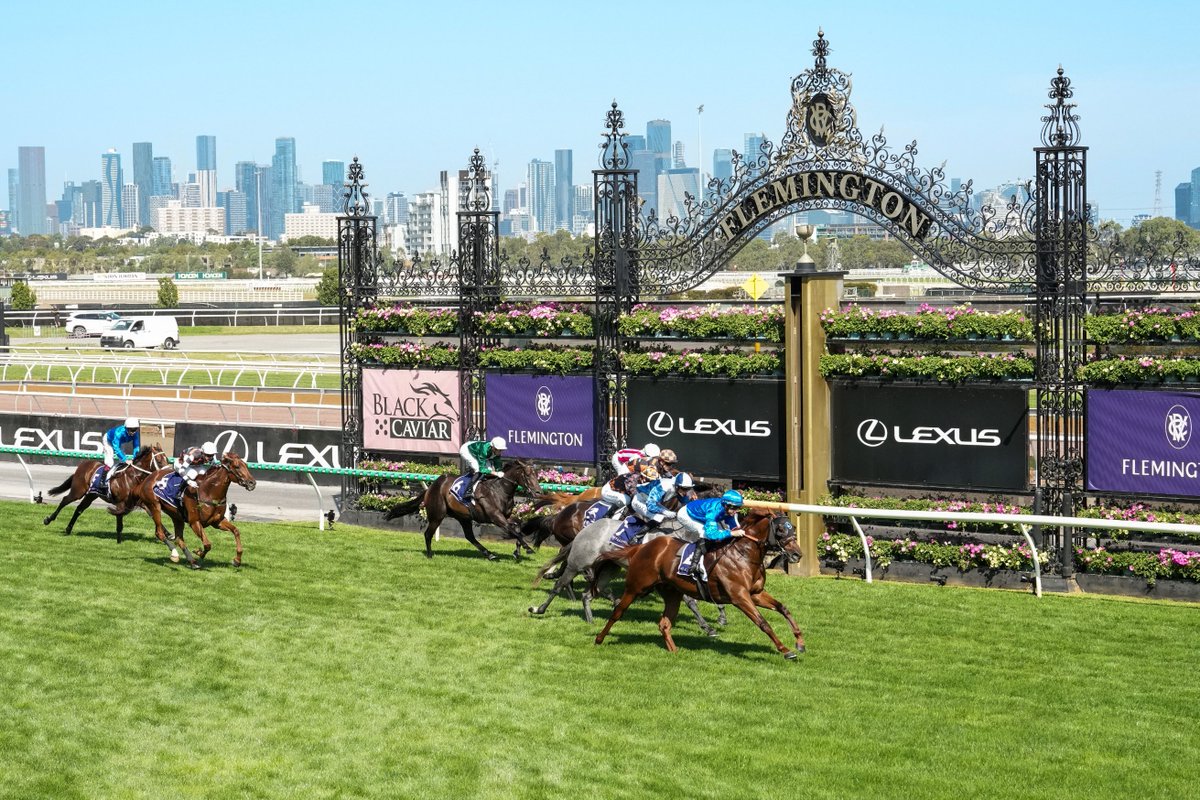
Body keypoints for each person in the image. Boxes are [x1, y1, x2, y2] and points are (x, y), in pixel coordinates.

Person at [679, 490, 745, 580]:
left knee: (722, 531)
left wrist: (737, 530)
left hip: (702, 515)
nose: (736, 511)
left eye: (738, 508)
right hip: (687, 515)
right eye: (734, 508)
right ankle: (693, 566)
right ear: (726, 505)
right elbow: (711, 534)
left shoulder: (728, 508)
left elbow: (733, 525)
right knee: (705, 533)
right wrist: (731, 533)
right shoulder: (713, 511)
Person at [459, 436, 507, 504]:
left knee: (489, 469)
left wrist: (499, 471)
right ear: (493, 447)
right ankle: (468, 491)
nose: (500, 452)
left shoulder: (495, 450)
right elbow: (482, 469)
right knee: (478, 469)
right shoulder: (484, 451)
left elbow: (497, 464)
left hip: (478, 450)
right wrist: (496, 473)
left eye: (501, 450)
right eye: (499, 450)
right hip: (467, 450)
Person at [100, 417, 141, 492]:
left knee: (122, 463)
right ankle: (102, 481)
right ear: (126, 428)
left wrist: (134, 458)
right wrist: (125, 459)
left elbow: (136, 447)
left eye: (135, 429)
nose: (133, 432)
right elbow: (116, 448)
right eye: (131, 429)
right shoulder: (119, 432)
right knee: (110, 462)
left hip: (119, 443)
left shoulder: (135, 434)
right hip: (108, 441)